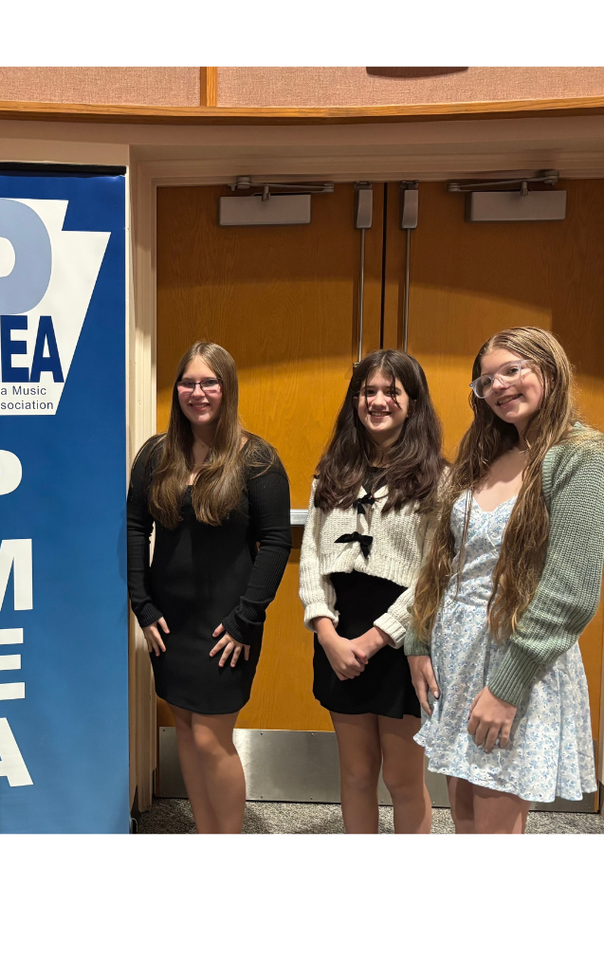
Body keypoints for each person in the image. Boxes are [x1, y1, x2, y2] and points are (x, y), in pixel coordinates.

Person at [408, 327, 603, 834]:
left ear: (549, 369)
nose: (499, 387)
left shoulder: (581, 456)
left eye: (513, 371)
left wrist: (507, 687)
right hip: (457, 656)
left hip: (514, 661)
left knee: (495, 833)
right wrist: (418, 641)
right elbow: (441, 563)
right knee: (467, 821)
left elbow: (571, 592)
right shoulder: (484, 455)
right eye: (486, 381)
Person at [127, 342, 291, 833]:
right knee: (184, 730)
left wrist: (247, 618)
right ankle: (206, 833)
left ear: (227, 388)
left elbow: (277, 542)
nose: (197, 393)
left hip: (227, 623)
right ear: (177, 390)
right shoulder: (156, 454)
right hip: (168, 623)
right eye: (188, 383)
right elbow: (136, 527)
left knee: (210, 740)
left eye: (209, 383)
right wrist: (142, 604)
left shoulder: (257, 459)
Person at [301, 350, 443, 834]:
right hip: (339, 639)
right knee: (356, 774)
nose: (378, 401)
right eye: (368, 391)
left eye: (391, 391)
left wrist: (376, 638)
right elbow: (312, 557)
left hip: (402, 644)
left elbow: (433, 576)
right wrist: (326, 632)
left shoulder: (436, 481)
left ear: (412, 402)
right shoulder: (333, 471)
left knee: (403, 779)